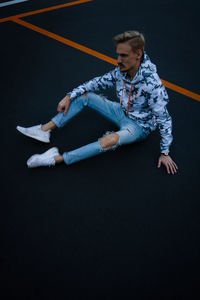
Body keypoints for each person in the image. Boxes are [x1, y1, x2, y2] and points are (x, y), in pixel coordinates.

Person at [17, 30, 178, 174]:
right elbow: (95, 83)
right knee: (86, 96)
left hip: (138, 127)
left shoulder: (153, 85)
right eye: (118, 54)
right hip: (120, 111)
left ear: (138, 54)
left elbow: (164, 119)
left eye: (123, 55)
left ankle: (55, 159)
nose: (118, 60)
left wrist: (165, 153)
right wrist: (68, 96)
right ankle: (45, 130)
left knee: (109, 141)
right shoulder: (121, 72)